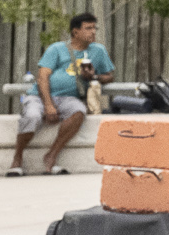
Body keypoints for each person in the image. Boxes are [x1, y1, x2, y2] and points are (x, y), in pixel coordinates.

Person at [14, 12, 110, 177]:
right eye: (88, 28)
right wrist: (49, 105)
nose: (93, 32)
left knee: (78, 112)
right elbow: (43, 77)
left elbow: (109, 76)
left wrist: (93, 77)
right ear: (75, 32)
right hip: (40, 96)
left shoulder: (98, 51)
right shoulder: (56, 48)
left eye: (94, 28)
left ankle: (51, 155)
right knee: (32, 117)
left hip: (69, 98)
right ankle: (17, 158)